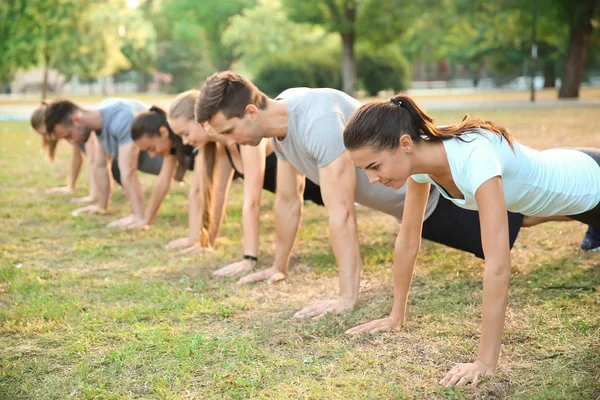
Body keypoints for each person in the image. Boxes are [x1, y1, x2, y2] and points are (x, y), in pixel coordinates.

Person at [194, 71, 529, 321]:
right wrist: (277, 267)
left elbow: (342, 213)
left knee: (526, 213)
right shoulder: (279, 126)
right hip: (412, 208)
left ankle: (579, 184)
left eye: (228, 131)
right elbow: (287, 200)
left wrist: (346, 297)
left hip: (438, 196)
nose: (227, 141)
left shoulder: (317, 120)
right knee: (521, 215)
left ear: (251, 112)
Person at [341, 93, 599, 387]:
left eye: (374, 166)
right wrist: (394, 316)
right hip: (574, 195)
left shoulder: (475, 158)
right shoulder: (420, 167)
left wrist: (485, 362)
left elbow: (498, 265)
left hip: (592, 182)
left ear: (405, 144)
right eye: (365, 171)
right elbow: (409, 237)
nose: (372, 179)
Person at [165, 90, 324, 271]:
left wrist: (249, 258)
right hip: (317, 195)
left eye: (185, 133)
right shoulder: (221, 147)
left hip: (321, 186)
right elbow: (217, 195)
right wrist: (206, 242)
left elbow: (252, 202)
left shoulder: (246, 139)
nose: (185, 142)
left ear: (201, 122)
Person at [44, 99, 164, 228]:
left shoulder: (122, 118)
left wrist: (138, 217)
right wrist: (101, 206)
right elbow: (100, 165)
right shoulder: (99, 122)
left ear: (77, 119)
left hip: (182, 159)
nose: (72, 142)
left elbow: (129, 171)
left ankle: (139, 214)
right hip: (160, 166)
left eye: (69, 135)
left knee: (125, 168)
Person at [124, 105, 198, 230]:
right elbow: (162, 183)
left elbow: (199, 189)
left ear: (163, 132)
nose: (152, 155)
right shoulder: (172, 146)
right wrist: (146, 221)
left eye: (151, 148)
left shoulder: (191, 138)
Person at [30, 102, 98, 203]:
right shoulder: (74, 133)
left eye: (46, 133)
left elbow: (94, 162)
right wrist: (70, 186)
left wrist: (93, 196)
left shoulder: (81, 127)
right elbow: (77, 158)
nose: (48, 138)